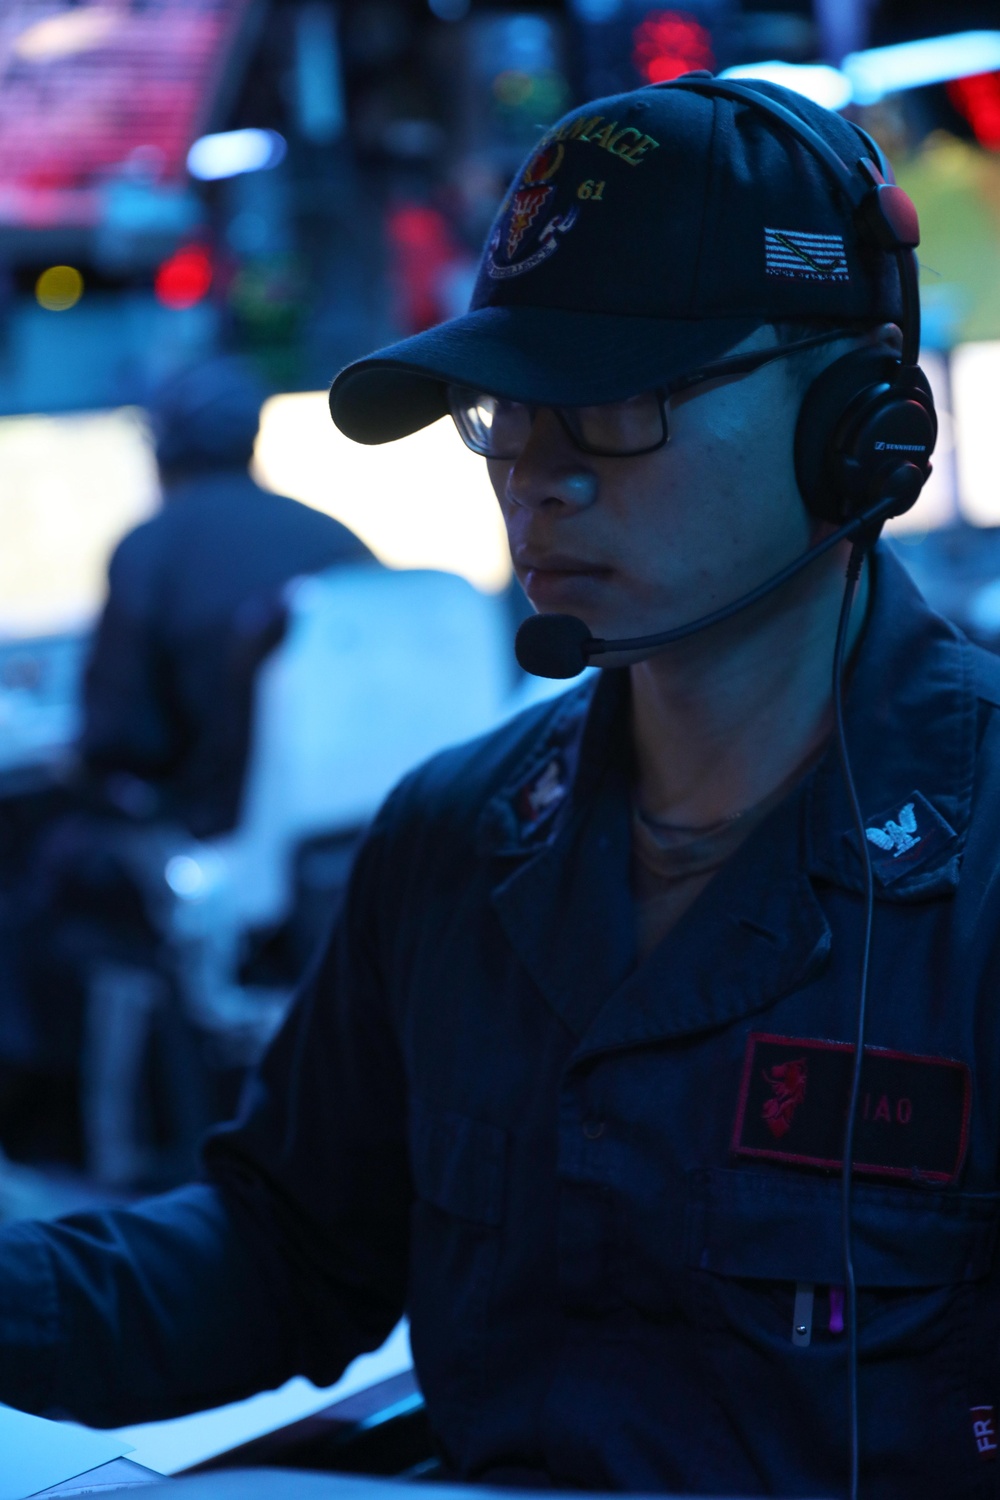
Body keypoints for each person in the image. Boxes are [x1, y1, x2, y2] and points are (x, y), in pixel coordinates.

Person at [0, 77, 994, 1500]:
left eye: (620, 403)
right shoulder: (452, 842)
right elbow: (286, 1252)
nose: (535, 472)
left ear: (862, 423)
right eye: (506, 407)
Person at [79, 356, 374, 838]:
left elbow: (118, 743)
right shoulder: (335, 536)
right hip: (353, 830)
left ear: (162, 450)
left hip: (222, 836)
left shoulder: (149, 551)